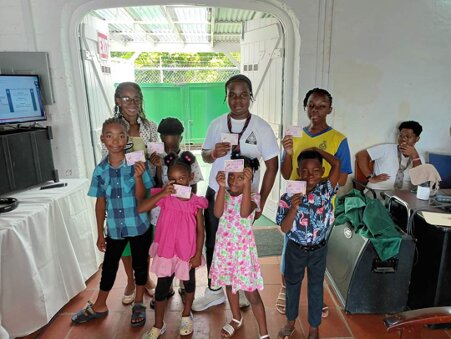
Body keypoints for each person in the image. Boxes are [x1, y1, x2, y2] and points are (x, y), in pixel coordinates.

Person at [193, 74, 279, 312]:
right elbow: (205, 155)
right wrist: (214, 154)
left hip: (243, 198)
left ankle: (237, 289)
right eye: (232, 94)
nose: (237, 100)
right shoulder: (217, 124)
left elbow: (272, 165)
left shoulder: (261, 127)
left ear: (250, 97)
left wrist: (259, 199)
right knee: (214, 241)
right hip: (218, 191)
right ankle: (214, 290)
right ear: (226, 96)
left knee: (239, 244)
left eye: (243, 95)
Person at [72, 117, 154, 327]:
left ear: (127, 138)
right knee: (109, 267)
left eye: (120, 135)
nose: (115, 140)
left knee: (140, 265)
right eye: (109, 135)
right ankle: (100, 305)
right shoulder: (100, 170)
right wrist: (100, 232)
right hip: (115, 229)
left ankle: (138, 303)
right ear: (102, 139)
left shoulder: (137, 164)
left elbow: (142, 198)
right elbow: (100, 203)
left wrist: (137, 178)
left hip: (138, 225)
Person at [277, 88, 352, 315]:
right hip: (296, 199)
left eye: (321, 106)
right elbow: (286, 173)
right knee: (290, 246)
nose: (315, 110)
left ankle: (316, 296)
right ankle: (286, 288)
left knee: (316, 251)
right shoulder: (295, 133)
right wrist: (289, 152)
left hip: (321, 204)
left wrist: (321, 190)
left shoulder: (338, 139)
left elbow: (342, 175)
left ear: (330, 109)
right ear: (305, 106)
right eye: (311, 105)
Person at [136, 151, 208, 338]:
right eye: (173, 180)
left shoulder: (196, 203)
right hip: (167, 252)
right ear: (168, 180)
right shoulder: (165, 197)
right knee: (161, 289)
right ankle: (158, 324)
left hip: (187, 253)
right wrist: (162, 194)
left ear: (191, 178)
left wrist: (198, 253)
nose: (177, 183)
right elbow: (142, 208)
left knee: (189, 285)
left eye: (182, 178)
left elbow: (201, 231)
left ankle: (186, 315)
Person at [276, 148, 340, 339]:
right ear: (298, 171)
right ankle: (290, 322)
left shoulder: (326, 190)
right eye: (305, 171)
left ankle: (314, 328)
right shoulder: (289, 195)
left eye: (316, 170)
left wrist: (316, 150)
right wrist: (294, 208)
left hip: (318, 250)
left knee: (316, 287)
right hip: (295, 249)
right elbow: (285, 229)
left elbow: (336, 164)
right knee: (292, 285)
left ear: (322, 171)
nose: (310, 175)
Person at [210, 154, 269, 339]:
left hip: (243, 253)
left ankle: (264, 333)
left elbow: (244, 213)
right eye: (232, 176)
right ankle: (236, 318)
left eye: (241, 177)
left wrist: (247, 186)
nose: (234, 181)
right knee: (229, 285)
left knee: (252, 295)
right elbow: (218, 212)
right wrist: (221, 188)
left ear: (249, 178)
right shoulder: (224, 194)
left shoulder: (254, 197)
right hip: (225, 251)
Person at [148, 117, 204, 304]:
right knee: (166, 251)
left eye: (173, 141)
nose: (169, 145)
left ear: (181, 138)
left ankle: (183, 284)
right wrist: (156, 168)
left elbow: (193, 187)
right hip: (162, 216)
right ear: (160, 138)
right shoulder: (156, 157)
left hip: (185, 216)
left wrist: (187, 201)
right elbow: (155, 187)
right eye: (165, 140)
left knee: (183, 251)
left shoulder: (190, 159)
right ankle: (166, 286)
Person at [112, 82, 159, 305]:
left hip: (145, 187)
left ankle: (145, 277)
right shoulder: (111, 127)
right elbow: (108, 157)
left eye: (136, 98)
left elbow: (155, 153)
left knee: (144, 235)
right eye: (126, 98)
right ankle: (131, 281)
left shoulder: (150, 126)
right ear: (117, 101)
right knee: (125, 238)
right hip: (121, 190)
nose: (132, 103)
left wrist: (154, 158)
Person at [355, 120, 423, 192]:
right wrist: (370, 177)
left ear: (417, 139)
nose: (403, 139)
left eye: (408, 136)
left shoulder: (419, 158)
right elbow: (361, 155)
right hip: (377, 190)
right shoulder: (386, 148)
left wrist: (415, 157)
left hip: (403, 195)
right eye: (401, 136)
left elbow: (420, 181)